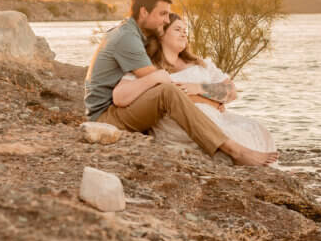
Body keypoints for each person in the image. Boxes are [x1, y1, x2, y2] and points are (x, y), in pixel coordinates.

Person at [84, 0, 277, 166]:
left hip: (114, 111)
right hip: (105, 116)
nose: (166, 20)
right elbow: (163, 89)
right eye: (163, 14)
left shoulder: (131, 34)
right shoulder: (128, 38)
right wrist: (208, 100)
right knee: (166, 90)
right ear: (144, 12)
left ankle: (235, 147)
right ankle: (235, 150)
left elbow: (162, 87)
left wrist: (201, 91)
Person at [114, 13, 275, 155]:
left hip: (218, 119)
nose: (184, 34)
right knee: (233, 138)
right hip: (178, 128)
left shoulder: (200, 64)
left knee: (256, 129)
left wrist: (199, 88)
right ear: (161, 34)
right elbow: (120, 96)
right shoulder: (147, 67)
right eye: (177, 29)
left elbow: (231, 92)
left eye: (185, 30)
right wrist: (210, 101)